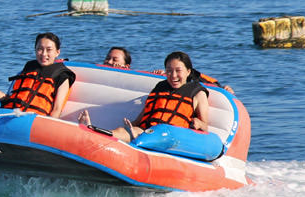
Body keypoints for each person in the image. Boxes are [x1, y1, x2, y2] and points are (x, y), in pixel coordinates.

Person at [80, 51, 209, 142]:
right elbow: (142, 117)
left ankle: (95, 133)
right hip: (147, 132)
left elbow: (205, 127)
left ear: (188, 71)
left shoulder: (197, 93)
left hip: (172, 137)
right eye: (169, 70)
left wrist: (198, 123)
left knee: (137, 133)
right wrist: (131, 125)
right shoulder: (160, 87)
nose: (173, 75)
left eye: (178, 71)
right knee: (129, 131)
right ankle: (94, 132)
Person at [0, 32, 76, 118]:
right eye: (39, 49)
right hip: (10, 114)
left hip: (33, 120)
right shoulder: (29, 68)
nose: (44, 54)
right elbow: (14, 99)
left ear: (57, 52)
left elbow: (57, 110)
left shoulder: (62, 76)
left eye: (49, 50)